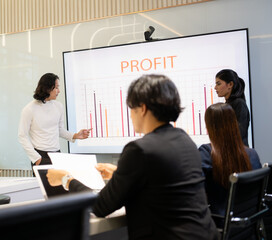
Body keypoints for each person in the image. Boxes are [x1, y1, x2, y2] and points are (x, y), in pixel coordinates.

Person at [47, 74, 218, 240]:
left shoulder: (139, 150)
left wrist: (66, 179)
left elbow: (101, 207)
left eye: (131, 108)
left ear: (142, 108)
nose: (130, 115)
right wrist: (119, 173)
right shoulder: (184, 140)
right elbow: (160, 183)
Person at [199, 103, 261, 220]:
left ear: (209, 128)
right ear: (234, 124)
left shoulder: (206, 154)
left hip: (222, 225)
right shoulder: (253, 154)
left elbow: (195, 193)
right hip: (249, 226)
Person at [18, 73, 91, 168]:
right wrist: (36, 158)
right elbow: (22, 136)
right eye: (56, 87)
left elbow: (59, 130)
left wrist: (76, 135)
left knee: (60, 183)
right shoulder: (29, 109)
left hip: (57, 154)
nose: (59, 91)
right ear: (47, 88)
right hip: (40, 155)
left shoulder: (58, 106)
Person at [215, 69, 250, 146]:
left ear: (230, 84)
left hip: (239, 155)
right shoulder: (228, 105)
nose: (215, 87)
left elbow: (238, 134)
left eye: (218, 84)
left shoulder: (239, 104)